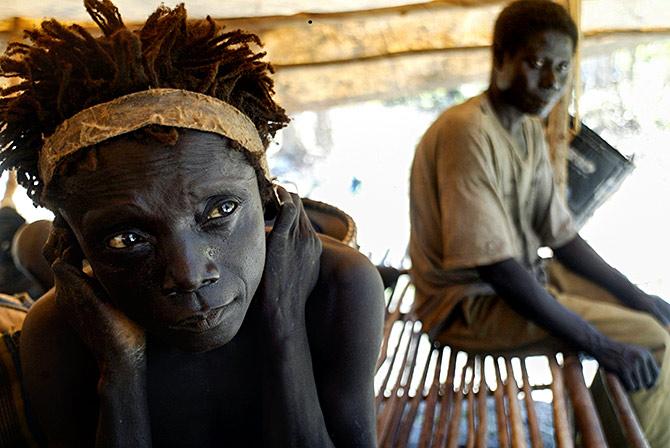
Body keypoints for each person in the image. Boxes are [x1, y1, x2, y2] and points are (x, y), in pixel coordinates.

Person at [0, 1, 384, 446]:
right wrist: (120, 370)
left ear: (266, 198)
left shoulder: (338, 287)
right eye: (128, 239)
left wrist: (284, 325)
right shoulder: (60, 331)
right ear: (73, 245)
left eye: (220, 211)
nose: (188, 274)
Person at [409, 1, 670, 445]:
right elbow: (496, 268)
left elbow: (563, 239)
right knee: (651, 342)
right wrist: (600, 344)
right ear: (501, 60)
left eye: (562, 67)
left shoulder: (527, 127)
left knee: (654, 316)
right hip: (467, 306)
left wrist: (639, 296)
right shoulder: (466, 130)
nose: (552, 82)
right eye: (535, 63)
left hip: (521, 280)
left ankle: (617, 431)